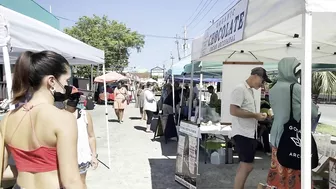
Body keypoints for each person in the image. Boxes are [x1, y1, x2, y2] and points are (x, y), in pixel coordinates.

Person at [0, 51, 84, 189]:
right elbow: (71, 181)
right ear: (51, 81)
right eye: (66, 81)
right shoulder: (63, 119)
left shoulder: (8, 119)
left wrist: (28, 168)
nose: (67, 86)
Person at [267, 57, 318, 189]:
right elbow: (312, 112)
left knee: (280, 174)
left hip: (276, 136)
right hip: (294, 136)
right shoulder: (296, 88)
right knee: (295, 174)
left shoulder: (273, 88)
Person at [230, 67, 272, 189]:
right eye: (262, 81)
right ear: (255, 76)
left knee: (246, 166)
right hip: (242, 133)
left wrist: (258, 116)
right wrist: (255, 115)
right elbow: (233, 110)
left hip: (249, 133)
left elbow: (244, 111)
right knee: (246, 166)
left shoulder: (250, 91)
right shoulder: (240, 89)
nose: (263, 84)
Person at [65, 87, 98, 188]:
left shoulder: (85, 115)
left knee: (81, 183)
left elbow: (91, 136)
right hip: (65, 158)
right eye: (72, 96)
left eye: (77, 96)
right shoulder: (59, 115)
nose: (75, 99)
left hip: (81, 157)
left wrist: (93, 155)